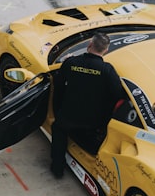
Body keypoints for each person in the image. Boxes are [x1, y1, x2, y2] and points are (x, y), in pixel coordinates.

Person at [50, 32, 124, 178]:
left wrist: (57, 110)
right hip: (93, 122)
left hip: (68, 117)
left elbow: (58, 85)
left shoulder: (71, 63)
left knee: (58, 129)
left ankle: (57, 168)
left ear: (90, 45)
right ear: (106, 50)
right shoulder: (107, 70)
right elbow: (118, 94)